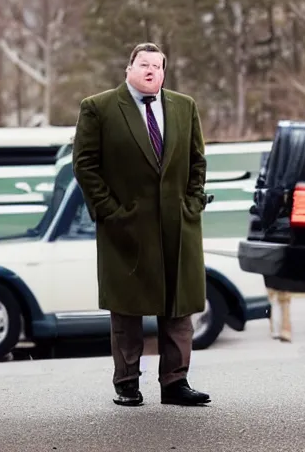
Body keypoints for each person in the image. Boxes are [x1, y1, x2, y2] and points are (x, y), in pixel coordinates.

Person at [72, 42, 211, 407]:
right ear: (129, 69)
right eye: (145, 65)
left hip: (178, 225)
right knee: (128, 309)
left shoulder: (184, 106)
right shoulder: (99, 108)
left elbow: (198, 162)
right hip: (126, 227)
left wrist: (192, 204)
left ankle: (175, 383)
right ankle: (127, 384)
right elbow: (85, 165)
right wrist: (111, 212)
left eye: (159, 66)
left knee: (178, 307)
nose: (152, 71)